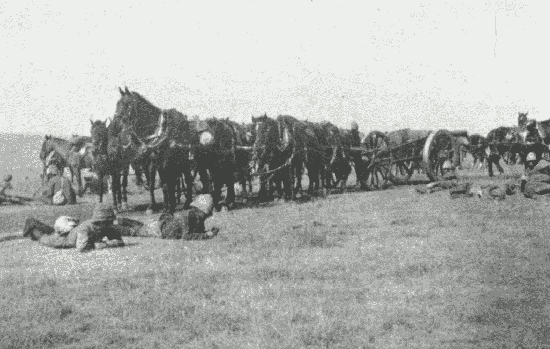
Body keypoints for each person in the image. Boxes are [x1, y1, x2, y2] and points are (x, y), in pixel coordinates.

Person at [22, 204, 126, 252]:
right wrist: (97, 245)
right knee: (42, 238)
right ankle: (31, 224)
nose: (112, 222)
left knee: (51, 232)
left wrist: (106, 244)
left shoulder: (106, 227)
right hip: (64, 240)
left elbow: (120, 242)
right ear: (103, 221)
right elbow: (81, 247)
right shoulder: (86, 228)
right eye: (110, 220)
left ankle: (33, 224)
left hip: (71, 233)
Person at [122, 194, 219, 240]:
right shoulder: (187, 216)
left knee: (139, 225)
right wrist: (206, 235)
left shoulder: (197, 217)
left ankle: (120, 221)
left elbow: (197, 232)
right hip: (158, 230)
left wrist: (208, 232)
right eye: (206, 214)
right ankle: (115, 224)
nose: (207, 216)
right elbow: (186, 236)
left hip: (161, 225)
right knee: (134, 231)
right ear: (200, 210)